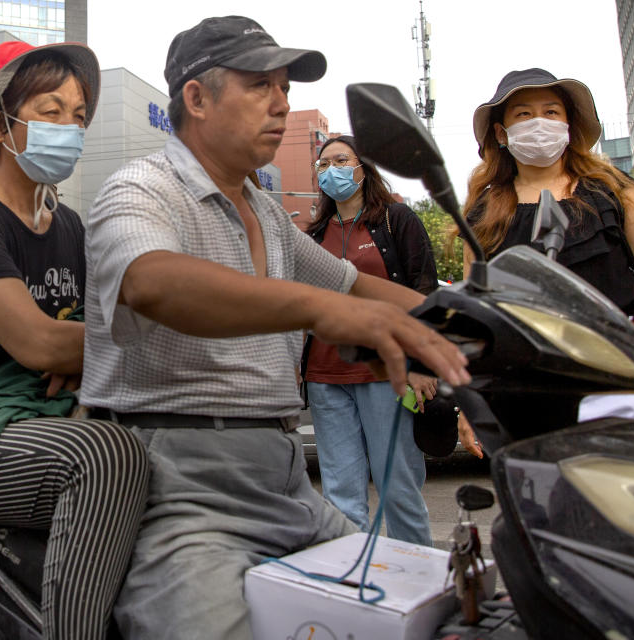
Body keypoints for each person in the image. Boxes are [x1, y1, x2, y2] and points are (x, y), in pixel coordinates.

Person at [79, 16, 470, 639]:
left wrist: (485, 319)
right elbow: (149, 281)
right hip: (182, 491)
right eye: (260, 84)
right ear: (197, 98)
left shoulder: (265, 209)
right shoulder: (139, 190)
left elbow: (359, 287)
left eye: (284, 87)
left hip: (286, 482)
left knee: (444, 609)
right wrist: (318, 310)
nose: (282, 103)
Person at [0, 41, 150, 640]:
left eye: (79, 115)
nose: (70, 128)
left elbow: (94, 334)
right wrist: (74, 346)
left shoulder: (68, 225)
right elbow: (42, 345)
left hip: (39, 420)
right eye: (50, 110)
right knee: (108, 457)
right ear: (1, 124)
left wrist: (85, 350)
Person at [456, 68, 634, 451]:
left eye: (551, 112)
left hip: (620, 381)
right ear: (501, 133)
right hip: (524, 389)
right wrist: (470, 403)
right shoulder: (482, 214)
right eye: (523, 114)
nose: (539, 122)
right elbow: (477, 314)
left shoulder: (615, 192)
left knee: (623, 505)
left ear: (569, 125)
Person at [303, 135, 436, 545]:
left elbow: (425, 292)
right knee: (342, 496)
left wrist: (423, 365)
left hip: (387, 374)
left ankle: (418, 584)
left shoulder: (397, 220)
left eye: (341, 160)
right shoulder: (315, 232)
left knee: (398, 488)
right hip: (326, 378)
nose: (331, 170)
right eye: (323, 165)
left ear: (363, 168)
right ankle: (354, 590)